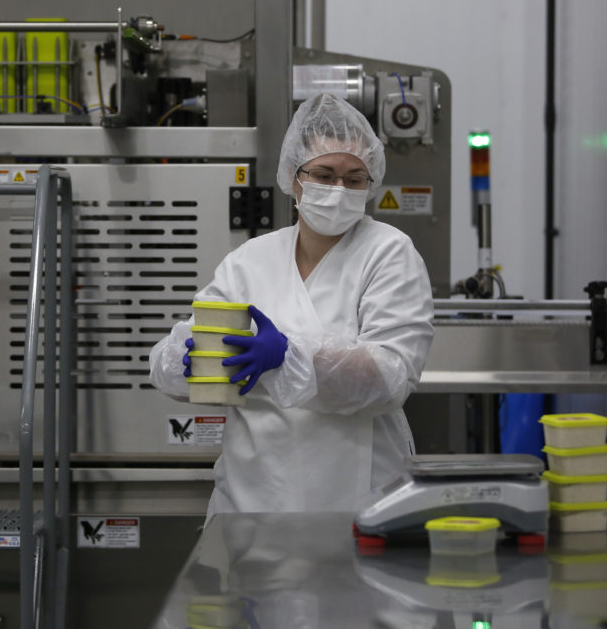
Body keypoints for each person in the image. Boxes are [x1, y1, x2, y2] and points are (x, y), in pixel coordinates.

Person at [148, 92, 434, 517]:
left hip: (356, 496)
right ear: (292, 177)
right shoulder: (251, 259)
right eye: (324, 174)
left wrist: (287, 356)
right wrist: (184, 362)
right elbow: (173, 364)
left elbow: (389, 378)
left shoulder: (388, 252)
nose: (339, 190)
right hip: (251, 498)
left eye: (354, 179)